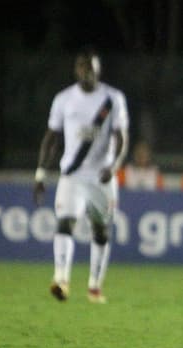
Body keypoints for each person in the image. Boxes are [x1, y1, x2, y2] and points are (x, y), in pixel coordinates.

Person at [33, 47, 129, 304]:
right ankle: (61, 280)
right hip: (72, 175)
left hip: (102, 177)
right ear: (76, 70)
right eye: (83, 66)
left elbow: (121, 137)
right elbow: (51, 138)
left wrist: (115, 165)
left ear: (99, 69)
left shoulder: (113, 98)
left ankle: (94, 287)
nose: (87, 71)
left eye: (92, 66)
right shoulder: (63, 99)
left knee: (101, 231)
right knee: (65, 222)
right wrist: (41, 174)